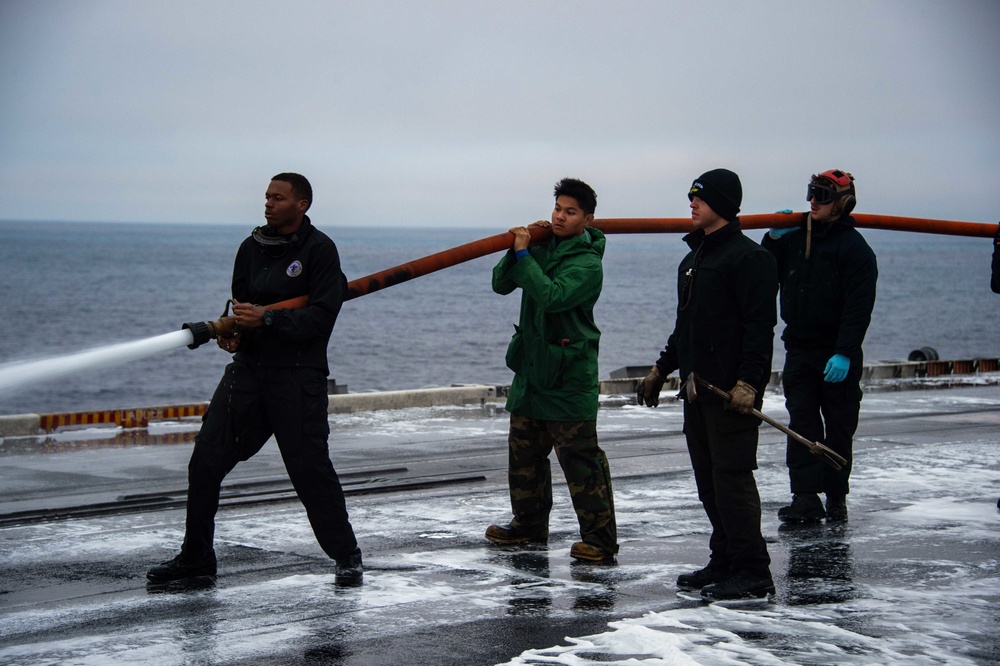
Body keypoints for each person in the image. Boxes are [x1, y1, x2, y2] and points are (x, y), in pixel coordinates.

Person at [147, 173, 363, 586]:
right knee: (205, 462)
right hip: (249, 372)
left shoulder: (320, 251)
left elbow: (321, 318)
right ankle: (196, 560)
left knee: (309, 470)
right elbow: (241, 304)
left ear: (302, 204)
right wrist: (235, 333)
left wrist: (267, 318)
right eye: (266, 196)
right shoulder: (250, 248)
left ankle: (347, 556)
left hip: (298, 377)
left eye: (278, 198)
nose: (268, 203)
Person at [637, 168, 778, 600]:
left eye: (700, 197)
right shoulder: (693, 260)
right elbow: (687, 327)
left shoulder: (749, 259)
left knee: (732, 480)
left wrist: (749, 384)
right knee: (708, 482)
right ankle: (726, 559)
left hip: (730, 396)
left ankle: (754, 572)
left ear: (723, 204)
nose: (692, 203)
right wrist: (662, 370)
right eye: (691, 197)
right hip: (697, 393)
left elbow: (760, 329)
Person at [484, 178, 619, 563]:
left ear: (588, 220)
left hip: (568, 375)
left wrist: (525, 256)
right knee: (524, 454)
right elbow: (499, 285)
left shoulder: (588, 264)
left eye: (570, 212)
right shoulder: (541, 246)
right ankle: (528, 525)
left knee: (580, 460)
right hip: (531, 372)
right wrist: (515, 252)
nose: (560, 216)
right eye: (557, 208)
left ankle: (600, 539)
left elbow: (551, 296)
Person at [761, 170, 877, 524]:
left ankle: (836, 495)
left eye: (822, 195)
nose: (813, 200)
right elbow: (766, 273)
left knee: (839, 426)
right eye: (811, 193)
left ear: (842, 203)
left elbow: (858, 308)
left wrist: (844, 350)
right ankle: (805, 497)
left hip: (836, 352)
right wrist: (773, 239)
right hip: (799, 348)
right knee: (802, 425)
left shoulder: (855, 250)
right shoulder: (796, 240)